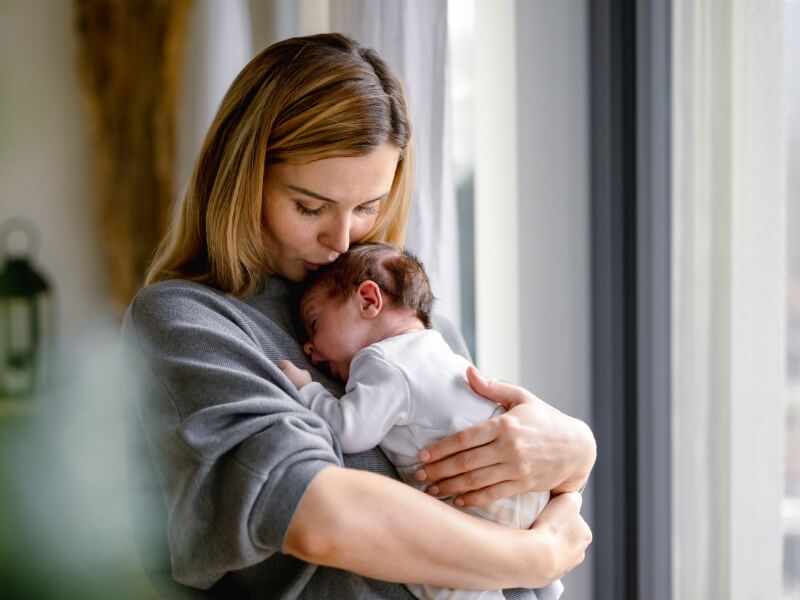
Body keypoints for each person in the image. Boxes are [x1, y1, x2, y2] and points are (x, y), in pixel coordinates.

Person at [122, 32, 595, 599]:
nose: (341, 240)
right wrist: (536, 555)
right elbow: (316, 511)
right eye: (310, 206)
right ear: (243, 177)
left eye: (368, 207)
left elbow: (500, 499)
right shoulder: (187, 322)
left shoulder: (415, 325)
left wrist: (572, 460)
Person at [278, 243, 563, 600]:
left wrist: (309, 390)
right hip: (520, 487)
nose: (309, 348)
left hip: (476, 497)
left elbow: (348, 431)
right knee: (528, 572)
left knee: (441, 577)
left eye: (315, 323)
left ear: (368, 300)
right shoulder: (437, 347)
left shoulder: (382, 361)